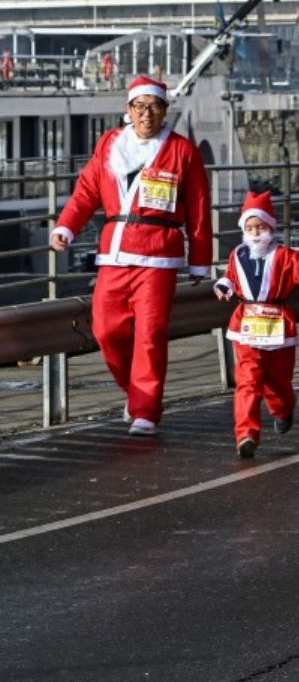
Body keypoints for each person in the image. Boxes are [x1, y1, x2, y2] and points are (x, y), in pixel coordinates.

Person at [52, 75, 212, 436]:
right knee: (106, 330)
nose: (147, 114)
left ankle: (145, 411)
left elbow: (200, 208)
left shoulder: (182, 150)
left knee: (150, 334)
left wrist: (200, 260)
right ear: (128, 110)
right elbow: (87, 190)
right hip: (115, 252)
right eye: (139, 107)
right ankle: (136, 393)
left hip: (159, 256)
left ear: (165, 111)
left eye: (154, 107)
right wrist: (66, 227)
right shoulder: (110, 144)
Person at [215, 190, 299, 458]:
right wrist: (224, 285)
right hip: (246, 325)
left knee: (277, 382)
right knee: (247, 381)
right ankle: (246, 434)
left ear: (270, 226)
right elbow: (231, 277)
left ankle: (283, 408)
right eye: (249, 227)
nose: (255, 232)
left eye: (260, 226)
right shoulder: (237, 255)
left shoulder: (284, 255)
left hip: (277, 326)